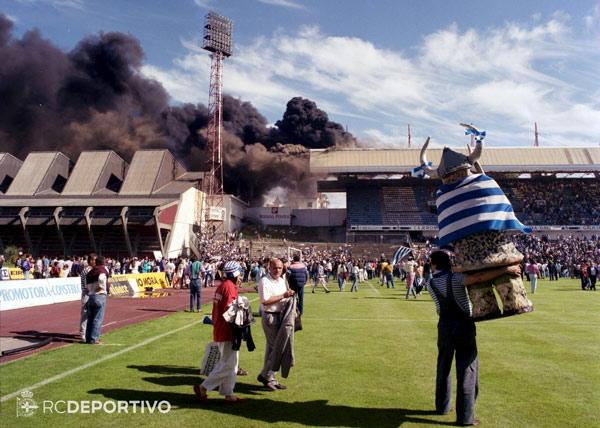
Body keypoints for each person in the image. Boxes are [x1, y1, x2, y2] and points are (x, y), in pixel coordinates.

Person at [427, 250, 521, 426]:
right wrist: (504, 270)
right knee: (467, 369)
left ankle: (442, 406)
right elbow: (478, 278)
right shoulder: (455, 278)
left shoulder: (430, 283)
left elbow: (440, 306)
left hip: (444, 326)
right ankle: (465, 417)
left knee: (443, 367)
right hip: (463, 325)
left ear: (434, 264)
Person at [193, 261, 245, 403]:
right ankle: (203, 387)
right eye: (239, 273)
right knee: (228, 364)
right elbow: (231, 310)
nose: (241, 276)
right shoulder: (229, 287)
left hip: (221, 329)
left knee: (231, 363)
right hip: (228, 330)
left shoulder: (223, 286)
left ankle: (228, 394)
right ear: (234, 274)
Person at [257, 258, 295, 391]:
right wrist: (283, 295)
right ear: (269, 268)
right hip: (270, 317)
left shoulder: (282, 280)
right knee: (277, 348)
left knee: (271, 349)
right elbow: (265, 301)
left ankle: (270, 377)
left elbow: (283, 298)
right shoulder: (264, 281)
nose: (277, 270)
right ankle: (265, 375)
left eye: (280, 268)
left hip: (281, 316)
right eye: (275, 268)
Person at [85, 256, 109, 344]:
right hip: (99, 295)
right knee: (98, 319)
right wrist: (101, 287)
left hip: (91, 296)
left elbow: (86, 284)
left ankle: (88, 338)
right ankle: (94, 339)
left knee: (90, 319)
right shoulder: (102, 270)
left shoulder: (90, 272)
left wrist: (91, 290)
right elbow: (102, 278)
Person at [80, 254, 95, 341]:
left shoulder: (91, 270)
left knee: (89, 314)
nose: (95, 262)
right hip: (87, 294)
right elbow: (87, 285)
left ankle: (86, 332)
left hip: (90, 293)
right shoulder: (87, 270)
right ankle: (83, 333)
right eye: (94, 260)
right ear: (90, 261)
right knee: (85, 314)